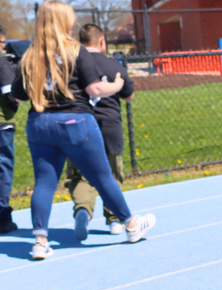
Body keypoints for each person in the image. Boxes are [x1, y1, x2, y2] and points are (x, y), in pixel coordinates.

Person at [12, 1, 154, 259]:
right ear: (63, 21)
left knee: (44, 183)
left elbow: (19, 95)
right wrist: (118, 84)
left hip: (39, 123)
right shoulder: (74, 50)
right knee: (102, 178)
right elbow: (95, 89)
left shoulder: (31, 54)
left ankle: (40, 242)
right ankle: (131, 225)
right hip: (75, 122)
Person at [65, 23, 134, 240]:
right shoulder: (113, 65)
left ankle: (83, 210)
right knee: (112, 174)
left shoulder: (72, 65)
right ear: (101, 41)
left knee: (81, 175)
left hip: (81, 125)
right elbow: (128, 95)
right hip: (110, 125)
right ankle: (114, 220)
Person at [0, 24, 18, 235]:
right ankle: (3, 218)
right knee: (3, 171)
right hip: (2, 125)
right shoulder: (3, 65)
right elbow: (10, 94)